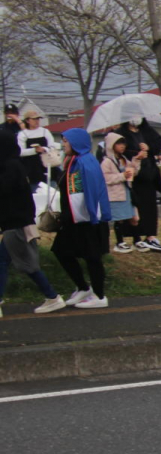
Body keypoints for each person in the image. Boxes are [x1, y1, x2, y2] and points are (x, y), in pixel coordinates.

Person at [0, 131, 65, 317]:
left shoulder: (10, 167)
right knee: (11, 261)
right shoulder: (13, 165)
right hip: (18, 223)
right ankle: (51, 296)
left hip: (16, 223)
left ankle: (52, 297)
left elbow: (4, 191)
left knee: (25, 264)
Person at [52, 128, 112, 309]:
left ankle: (100, 296)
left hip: (88, 218)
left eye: (66, 141)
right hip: (73, 218)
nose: (63, 144)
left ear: (76, 142)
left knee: (92, 257)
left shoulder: (86, 162)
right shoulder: (73, 161)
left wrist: (94, 216)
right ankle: (83, 287)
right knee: (61, 251)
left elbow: (93, 191)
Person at [117, 120, 161, 252]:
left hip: (148, 174)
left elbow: (158, 143)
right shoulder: (121, 133)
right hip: (132, 175)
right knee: (133, 207)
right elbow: (117, 152)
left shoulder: (147, 131)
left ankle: (150, 236)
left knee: (149, 206)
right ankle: (135, 237)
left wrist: (148, 147)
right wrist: (136, 155)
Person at [100, 132, 140, 253]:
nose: (122, 146)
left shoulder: (123, 159)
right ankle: (119, 242)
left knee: (133, 217)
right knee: (119, 218)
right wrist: (122, 176)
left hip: (126, 192)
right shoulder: (107, 162)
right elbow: (106, 178)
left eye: (123, 143)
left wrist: (137, 161)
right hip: (115, 194)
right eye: (118, 143)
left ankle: (137, 239)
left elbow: (133, 173)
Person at [17, 112, 57, 192]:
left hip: (47, 166)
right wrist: (34, 150)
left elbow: (53, 146)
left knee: (51, 192)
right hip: (32, 169)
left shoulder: (45, 131)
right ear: (27, 121)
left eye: (38, 119)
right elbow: (20, 152)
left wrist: (44, 149)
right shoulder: (22, 134)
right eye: (34, 119)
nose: (37, 121)